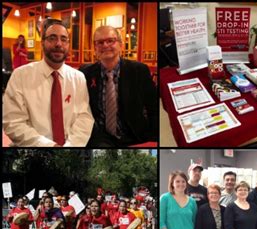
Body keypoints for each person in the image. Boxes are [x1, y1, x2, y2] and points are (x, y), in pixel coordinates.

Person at [3, 19, 94, 147]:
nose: (58, 44)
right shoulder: (20, 76)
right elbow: (13, 122)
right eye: (52, 38)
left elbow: (84, 117)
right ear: (42, 43)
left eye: (63, 39)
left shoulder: (78, 78)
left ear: (68, 44)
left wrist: (70, 147)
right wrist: (49, 146)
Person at [79, 26, 157, 147]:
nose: (105, 45)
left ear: (120, 44)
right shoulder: (86, 73)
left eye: (110, 40)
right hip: (101, 137)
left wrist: (154, 139)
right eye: (100, 42)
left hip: (133, 133)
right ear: (95, 48)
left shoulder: (139, 70)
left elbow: (154, 108)